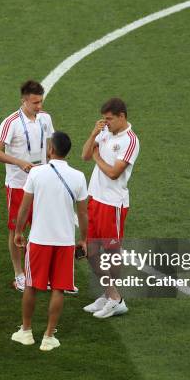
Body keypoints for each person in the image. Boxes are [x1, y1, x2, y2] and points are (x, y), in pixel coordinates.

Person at [11, 131, 88, 351]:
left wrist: (18, 231)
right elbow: (82, 214)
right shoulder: (79, 177)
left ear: (51, 150)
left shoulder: (37, 174)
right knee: (59, 288)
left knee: (32, 286)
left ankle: (26, 331)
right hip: (64, 241)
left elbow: (24, 207)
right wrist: (83, 239)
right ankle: (48, 336)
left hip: (39, 240)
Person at [0, 80, 55, 292]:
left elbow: (49, 147)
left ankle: (38, 270)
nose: (39, 106)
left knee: (41, 228)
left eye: (41, 101)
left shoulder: (45, 118)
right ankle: (19, 274)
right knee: (16, 230)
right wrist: (19, 163)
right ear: (23, 101)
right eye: (35, 102)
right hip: (19, 184)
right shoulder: (11, 122)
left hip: (42, 183)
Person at [81, 98, 140, 319]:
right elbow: (85, 155)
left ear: (122, 116)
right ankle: (110, 295)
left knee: (111, 253)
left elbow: (114, 173)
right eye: (104, 119)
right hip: (95, 199)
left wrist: (97, 157)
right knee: (91, 251)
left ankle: (115, 299)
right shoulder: (104, 132)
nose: (105, 123)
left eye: (109, 119)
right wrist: (92, 134)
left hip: (113, 204)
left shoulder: (130, 141)